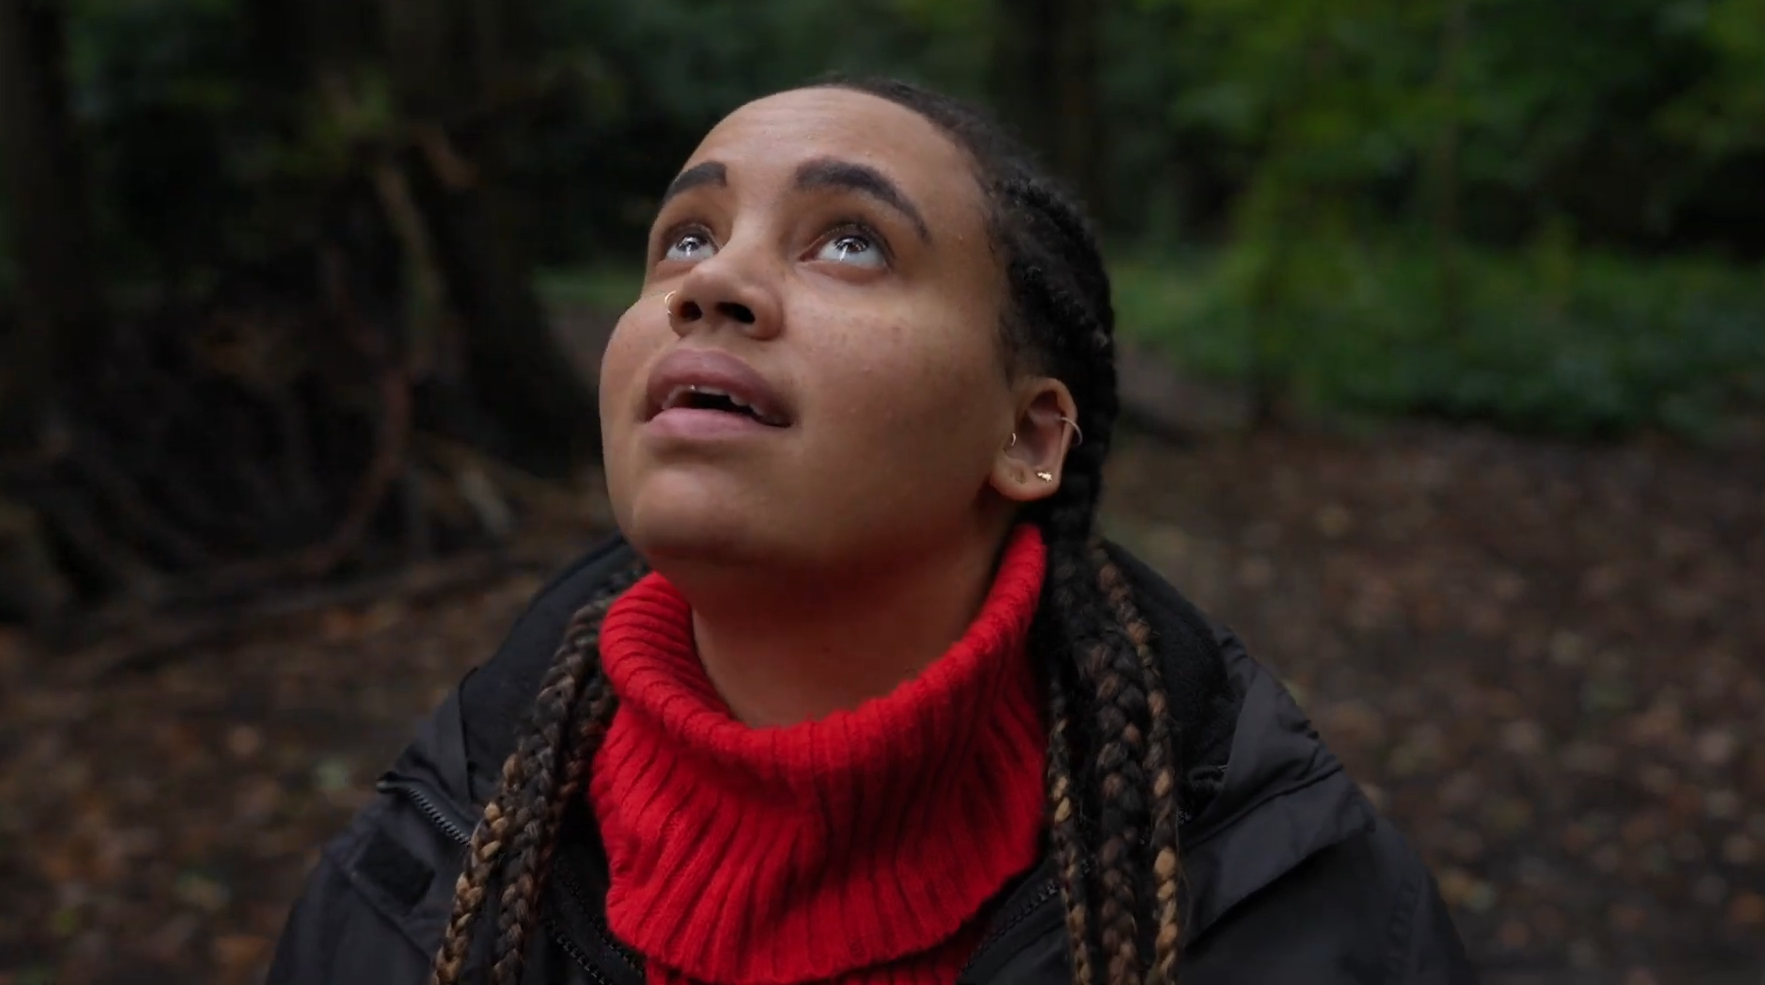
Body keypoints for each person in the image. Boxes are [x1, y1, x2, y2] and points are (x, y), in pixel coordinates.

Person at [264, 79, 1476, 985]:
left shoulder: (1302, 919)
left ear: (1031, 438)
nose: (711, 283)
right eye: (685, 236)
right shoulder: (415, 884)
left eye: (851, 240)